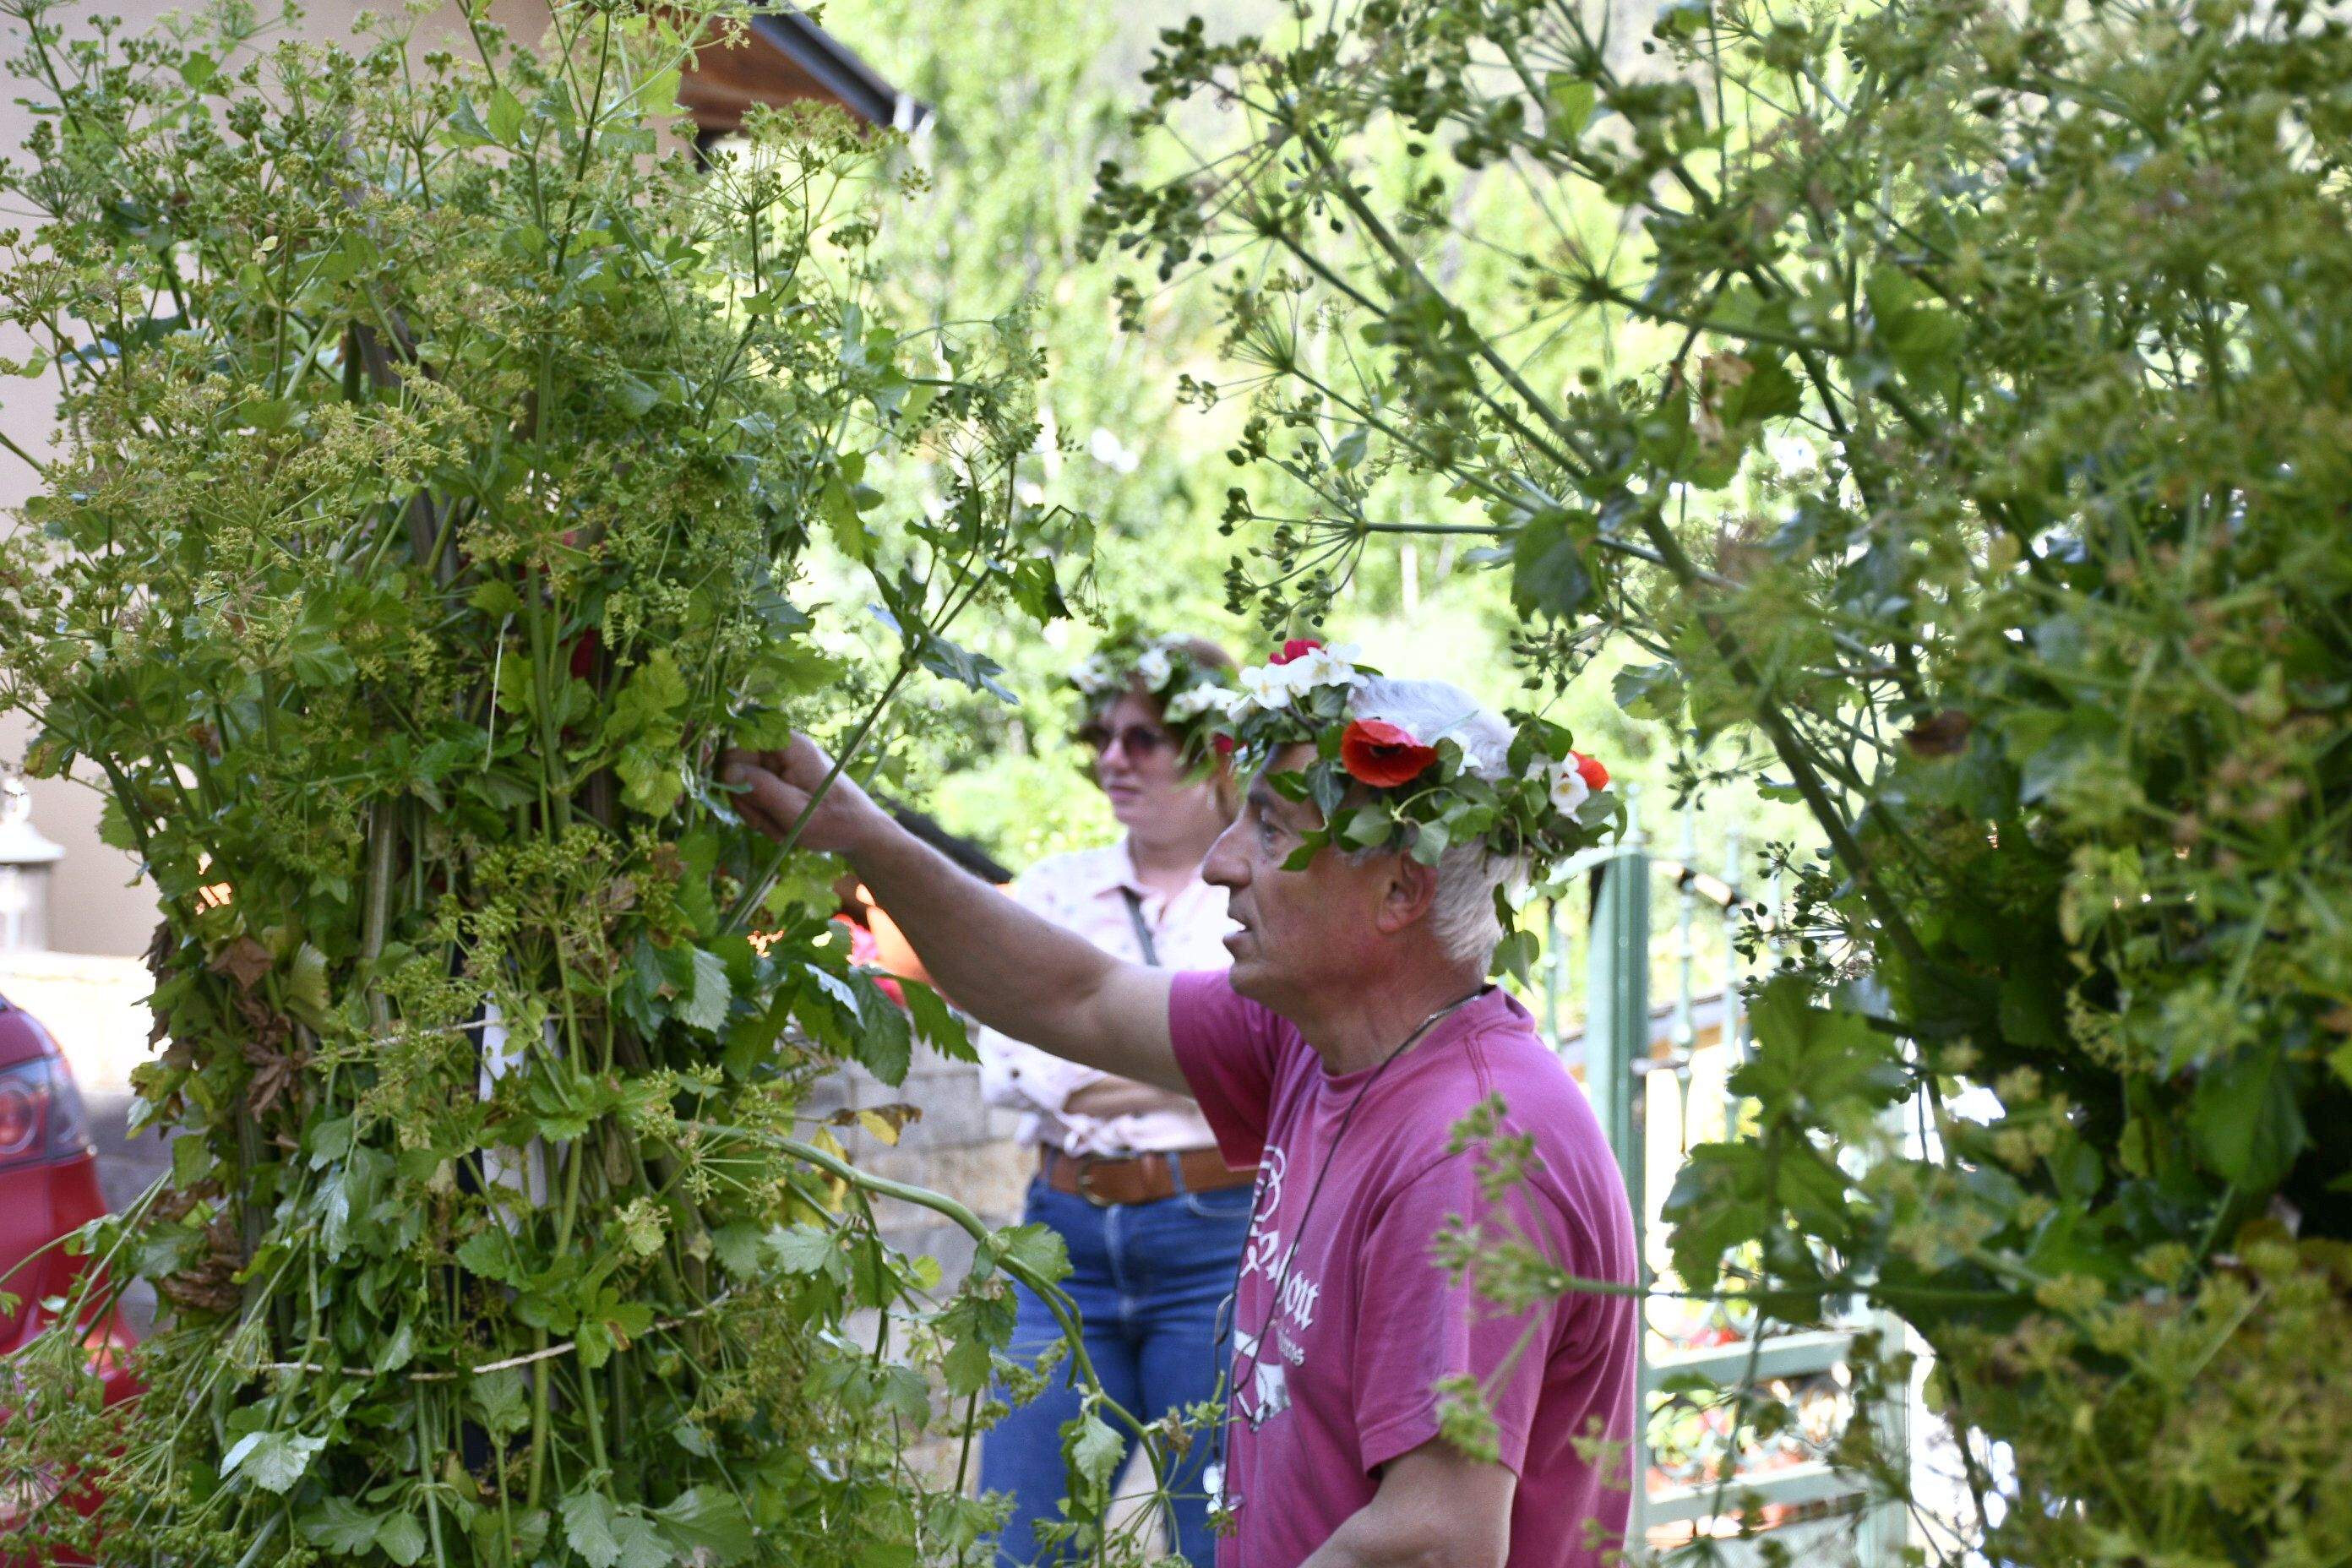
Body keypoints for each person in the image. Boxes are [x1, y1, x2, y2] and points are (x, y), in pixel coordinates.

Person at [721, 640, 1639, 1568]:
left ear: (1401, 888)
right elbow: (1072, 995)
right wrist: (865, 836)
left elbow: (1431, 1542)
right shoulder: (1312, 1040)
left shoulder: (1471, 1150)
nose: (1221, 863)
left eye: (1272, 832)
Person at [971, 632, 1250, 1565]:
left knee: (1218, 1538)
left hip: (1214, 1241)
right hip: (1063, 1240)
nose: (1112, 757)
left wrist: (1100, 1039)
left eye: (1143, 737)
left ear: (1213, 748)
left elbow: (1282, 1067)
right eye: (1102, 734)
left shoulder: (1260, 896)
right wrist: (1198, 1066)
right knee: (1017, 1538)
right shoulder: (1053, 889)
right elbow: (1010, 1062)